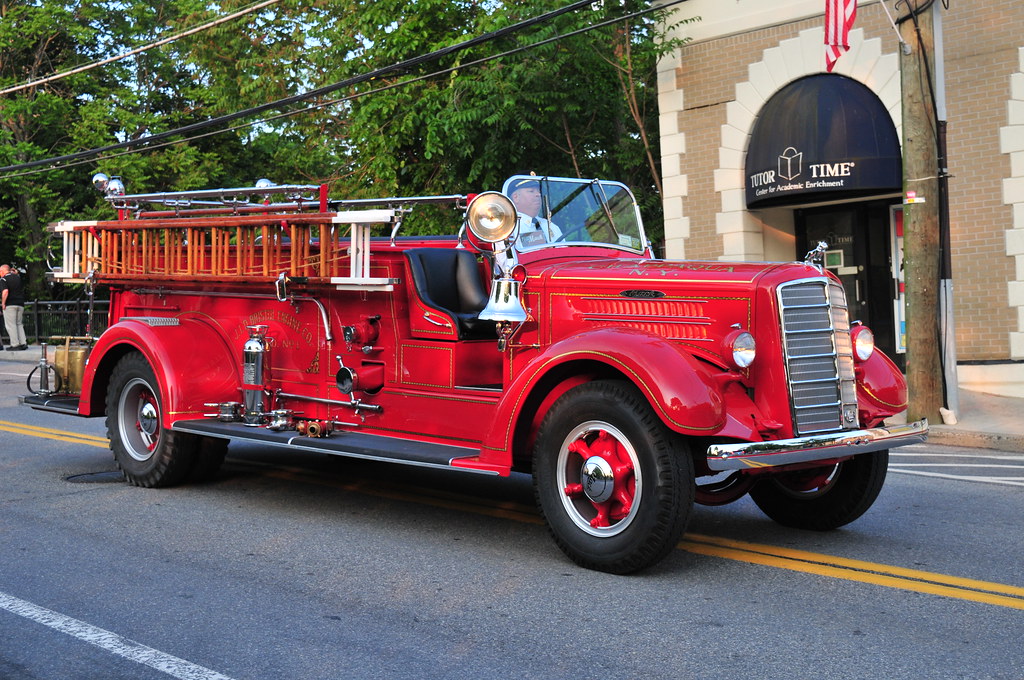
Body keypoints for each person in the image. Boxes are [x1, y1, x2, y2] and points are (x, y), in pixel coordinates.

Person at [509, 177, 562, 248]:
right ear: (516, 197)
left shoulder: (551, 226)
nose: (538, 194)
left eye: (539, 191)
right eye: (531, 191)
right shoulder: (509, 228)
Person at [1, 264, 27, 351]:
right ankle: (23, 343)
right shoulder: (17, 277)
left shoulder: (4, 279)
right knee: (19, 324)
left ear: (2, 271)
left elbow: (5, 291)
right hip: (20, 304)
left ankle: (15, 344)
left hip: (10, 304)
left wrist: (3, 303)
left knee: (11, 325)